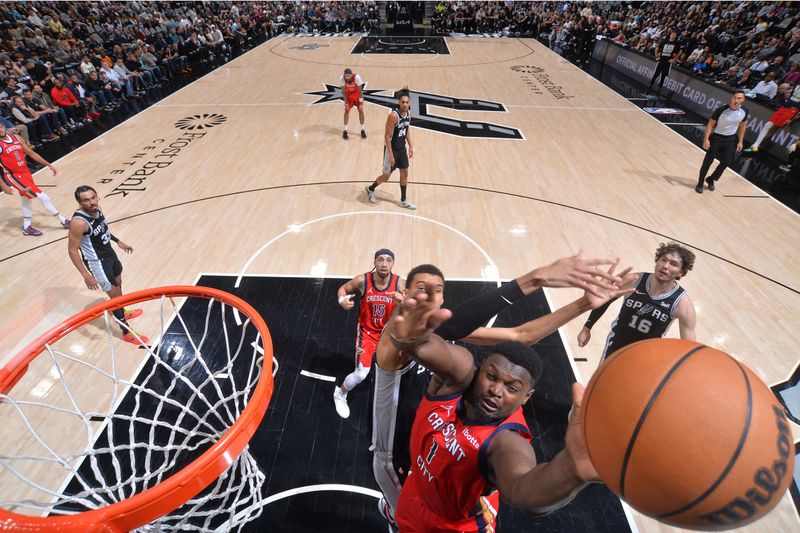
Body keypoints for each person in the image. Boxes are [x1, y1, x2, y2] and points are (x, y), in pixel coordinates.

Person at [371, 254, 629, 526]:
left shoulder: (504, 439)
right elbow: (422, 337)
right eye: (421, 289)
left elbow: (521, 336)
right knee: (407, 506)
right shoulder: (395, 336)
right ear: (404, 292)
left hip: (439, 458)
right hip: (398, 450)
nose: (429, 297)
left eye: (437, 291)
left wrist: (584, 304)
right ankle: (393, 511)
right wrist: (534, 278)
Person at [578, 242, 697, 361]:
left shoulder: (682, 303)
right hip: (615, 347)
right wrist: (587, 327)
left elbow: (689, 347)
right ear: (657, 261)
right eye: (663, 260)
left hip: (646, 359)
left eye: (673, 264)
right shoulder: (633, 280)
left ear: (681, 272)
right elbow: (605, 300)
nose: (665, 266)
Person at [67, 185, 148, 346]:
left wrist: (118, 241)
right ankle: (126, 332)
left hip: (110, 255)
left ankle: (121, 311)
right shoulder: (78, 223)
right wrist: (86, 275)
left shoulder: (98, 209)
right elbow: (72, 250)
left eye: (93, 197)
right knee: (115, 297)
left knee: (119, 284)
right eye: (86, 200)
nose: (91, 202)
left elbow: (103, 229)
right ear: (79, 203)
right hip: (97, 263)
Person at [333, 248, 405, 419]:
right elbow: (343, 289)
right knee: (361, 374)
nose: (384, 264)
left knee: (395, 369)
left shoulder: (400, 284)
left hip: (389, 333)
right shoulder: (363, 281)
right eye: (380, 259)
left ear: (393, 264)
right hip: (367, 333)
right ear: (375, 262)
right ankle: (340, 393)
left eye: (388, 260)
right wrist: (342, 300)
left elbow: (417, 302)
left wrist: (405, 301)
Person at [0, 121, 70, 236]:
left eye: (1, 127)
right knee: (42, 196)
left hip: (25, 173)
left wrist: (48, 164)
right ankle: (63, 220)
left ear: (3, 127)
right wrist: (3, 185)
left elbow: (32, 154)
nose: (0, 130)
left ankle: (26, 226)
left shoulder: (16, 138)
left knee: (26, 199)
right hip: (13, 176)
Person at [364, 87, 415, 210]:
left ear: (409, 103)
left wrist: (411, 146)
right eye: (402, 102)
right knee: (386, 176)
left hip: (401, 149)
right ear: (399, 102)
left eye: (407, 102)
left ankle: (403, 200)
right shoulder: (393, 116)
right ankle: (370, 189)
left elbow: (406, 130)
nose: (405, 104)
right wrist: (391, 155)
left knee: (405, 173)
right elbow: (387, 136)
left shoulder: (409, 113)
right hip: (391, 150)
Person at [695, 90, 748, 194]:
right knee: (708, 162)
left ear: (743, 100)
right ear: (732, 98)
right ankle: (700, 183)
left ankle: (711, 179)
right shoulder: (721, 110)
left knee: (726, 162)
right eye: (735, 97)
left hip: (731, 139)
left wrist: (740, 141)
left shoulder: (744, 111)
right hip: (717, 138)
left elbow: (742, 125)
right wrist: (706, 139)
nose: (736, 100)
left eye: (739, 98)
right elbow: (710, 124)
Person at [743, 83, 800, 154]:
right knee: (768, 125)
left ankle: (756, 146)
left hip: (793, 110)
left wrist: (793, 119)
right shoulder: (797, 83)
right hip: (784, 107)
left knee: (773, 129)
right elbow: (791, 95)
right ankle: (755, 146)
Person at [340, 68, 366, 140]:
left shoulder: (357, 78)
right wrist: (346, 103)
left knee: (361, 110)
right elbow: (344, 92)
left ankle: (362, 129)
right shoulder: (341, 79)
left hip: (357, 94)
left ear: (351, 75)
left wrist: (361, 103)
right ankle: (345, 130)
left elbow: (360, 91)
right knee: (347, 110)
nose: (347, 77)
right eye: (345, 76)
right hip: (348, 95)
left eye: (348, 76)